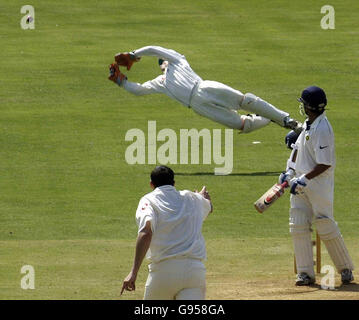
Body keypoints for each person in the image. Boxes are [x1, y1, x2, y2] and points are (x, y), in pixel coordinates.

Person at [108, 45, 302, 134]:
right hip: (198, 106)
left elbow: (154, 49)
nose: (163, 64)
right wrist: (121, 82)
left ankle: (287, 120)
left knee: (245, 102)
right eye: (161, 64)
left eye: (163, 61)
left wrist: (134, 55)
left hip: (205, 88)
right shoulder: (162, 82)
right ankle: (269, 117)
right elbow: (140, 90)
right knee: (240, 124)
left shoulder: (177, 60)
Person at [279, 86, 354, 286]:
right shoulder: (308, 125)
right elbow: (297, 152)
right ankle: (305, 273)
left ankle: (345, 269)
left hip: (318, 185)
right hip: (300, 184)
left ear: (308, 107)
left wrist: (304, 179)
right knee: (298, 224)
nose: (302, 107)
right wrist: (289, 172)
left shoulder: (323, 129)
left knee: (325, 224)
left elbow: (325, 163)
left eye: (303, 103)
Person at [121, 165, 213, 299]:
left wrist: (133, 272)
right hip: (194, 272)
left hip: (164, 272)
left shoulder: (148, 200)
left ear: (151, 184)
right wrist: (204, 198)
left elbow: (146, 232)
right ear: (174, 183)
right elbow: (209, 207)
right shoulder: (192, 198)